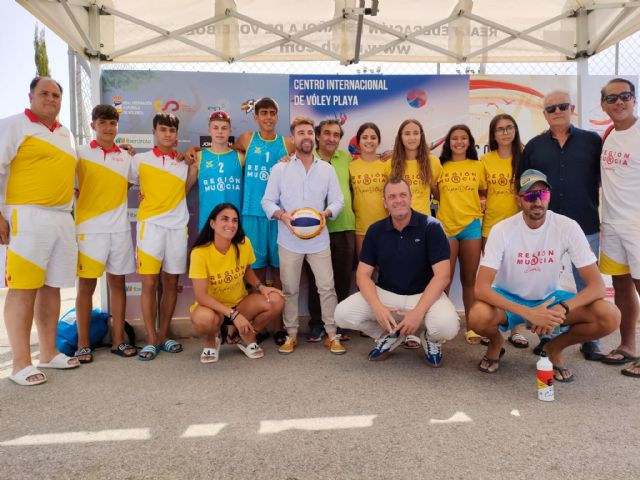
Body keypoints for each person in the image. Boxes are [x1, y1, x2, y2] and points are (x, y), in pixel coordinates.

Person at [468, 169, 619, 381]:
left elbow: (597, 286)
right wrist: (528, 313)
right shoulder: (502, 229)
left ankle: (554, 348)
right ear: (519, 200)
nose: (537, 201)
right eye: (530, 196)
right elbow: (481, 287)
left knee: (610, 316)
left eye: (543, 195)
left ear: (549, 197)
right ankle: (496, 342)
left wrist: (561, 308)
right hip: (509, 301)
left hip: (549, 300)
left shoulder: (567, 226)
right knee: (478, 317)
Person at [0, 77, 80, 386]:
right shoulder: (14, 125)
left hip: (61, 218)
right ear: (30, 95)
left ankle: (49, 352)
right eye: (44, 93)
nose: (51, 98)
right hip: (26, 216)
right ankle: (21, 362)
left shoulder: (65, 134)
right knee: (23, 289)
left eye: (56, 94)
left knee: (52, 287)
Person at [334, 177, 459, 367]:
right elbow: (362, 275)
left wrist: (418, 312)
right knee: (342, 314)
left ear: (410, 198)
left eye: (402, 195)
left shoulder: (431, 226)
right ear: (385, 202)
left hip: (424, 295)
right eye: (392, 196)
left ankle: (430, 339)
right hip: (387, 295)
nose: (398, 200)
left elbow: (443, 276)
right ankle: (392, 334)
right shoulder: (375, 230)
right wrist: (377, 306)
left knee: (446, 327)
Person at [518, 90, 604, 361]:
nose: (557, 112)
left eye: (562, 106)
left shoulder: (592, 141)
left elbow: (603, 179)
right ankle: (548, 335)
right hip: (547, 227)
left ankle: (591, 340)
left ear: (572, 108)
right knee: (548, 283)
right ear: (544, 114)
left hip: (585, 223)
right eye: (551, 108)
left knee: (586, 284)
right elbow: (522, 185)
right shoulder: (533, 146)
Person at [261, 116, 345, 355]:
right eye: (301, 133)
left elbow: (338, 200)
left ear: (314, 137)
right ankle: (291, 334)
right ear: (293, 138)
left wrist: (326, 213)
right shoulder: (280, 168)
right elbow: (267, 201)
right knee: (290, 290)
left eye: (309, 132)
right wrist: (281, 215)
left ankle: (332, 334)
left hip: (319, 240)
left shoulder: (326, 170)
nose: (306, 136)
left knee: (327, 287)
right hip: (288, 241)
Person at [131, 112, 198, 361]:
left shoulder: (184, 161)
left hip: (178, 229)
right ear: (154, 132)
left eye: (172, 130)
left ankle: (163, 335)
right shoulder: (138, 160)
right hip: (150, 228)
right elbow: (122, 184)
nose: (168, 134)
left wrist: (191, 163)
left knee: (171, 283)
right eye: (163, 130)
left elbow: (185, 189)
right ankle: (150, 339)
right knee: (149, 283)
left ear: (176, 134)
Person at [74, 104, 137, 363]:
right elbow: (75, 190)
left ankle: (118, 340)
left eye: (113, 123)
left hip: (120, 229)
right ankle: (83, 344)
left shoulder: (126, 157)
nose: (108, 128)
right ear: (93, 126)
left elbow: (132, 182)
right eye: (103, 123)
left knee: (117, 284)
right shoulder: (79, 154)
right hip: (90, 231)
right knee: (86, 286)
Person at [189, 203, 284, 363]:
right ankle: (213, 339)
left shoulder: (243, 243)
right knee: (203, 319)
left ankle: (247, 336)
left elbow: (247, 271)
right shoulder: (199, 253)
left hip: (240, 304)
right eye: (224, 219)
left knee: (276, 300)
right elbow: (201, 296)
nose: (230, 224)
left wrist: (262, 287)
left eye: (235, 220)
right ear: (212, 224)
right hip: (213, 309)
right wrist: (233, 315)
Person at [598, 78, 640, 378]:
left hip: (637, 225)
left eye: (624, 96)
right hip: (611, 223)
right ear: (604, 105)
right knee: (622, 285)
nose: (618, 102)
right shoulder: (609, 133)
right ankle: (628, 346)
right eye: (612, 99)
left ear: (634, 98)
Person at [435, 124, 486, 345]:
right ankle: (440, 325)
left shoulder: (478, 166)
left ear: (469, 141)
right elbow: (435, 193)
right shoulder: (439, 166)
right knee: (444, 279)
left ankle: (472, 327)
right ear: (448, 143)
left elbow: (484, 191)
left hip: (471, 226)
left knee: (469, 279)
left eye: (463, 138)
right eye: (454, 138)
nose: (459, 142)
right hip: (446, 227)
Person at [480, 114, 528, 349]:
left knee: (517, 278)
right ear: (493, 134)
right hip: (491, 227)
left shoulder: (525, 157)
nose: (505, 132)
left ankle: (516, 330)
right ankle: (497, 325)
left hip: (520, 226)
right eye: (500, 129)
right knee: (495, 279)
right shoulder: (485, 160)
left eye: (510, 127)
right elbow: (480, 191)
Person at [306, 119, 355, 343]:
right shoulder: (306, 158)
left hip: (345, 226)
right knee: (318, 280)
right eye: (327, 133)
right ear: (317, 136)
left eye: (336, 135)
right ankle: (317, 324)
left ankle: (340, 323)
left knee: (343, 279)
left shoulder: (345, 158)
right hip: (316, 230)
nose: (331, 139)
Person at [196, 111, 244, 230]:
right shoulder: (198, 157)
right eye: (215, 127)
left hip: (233, 224)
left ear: (230, 131)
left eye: (224, 128)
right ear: (209, 130)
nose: (220, 132)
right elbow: (183, 189)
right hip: (207, 224)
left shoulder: (241, 157)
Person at [386, 119, 441, 216]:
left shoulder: (433, 162)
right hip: (398, 224)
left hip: (423, 224)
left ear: (421, 136)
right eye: (407, 134)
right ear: (400, 137)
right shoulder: (390, 164)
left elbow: (440, 195)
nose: (412, 137)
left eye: (415, 133)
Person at [349, 122, 389, 258]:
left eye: (373, 137)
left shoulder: (387, 164)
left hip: (386, 227)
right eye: (365, 137)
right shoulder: (351, 167)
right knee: (365, 269)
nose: (369, 141)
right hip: (361, 227)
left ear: (378, 141)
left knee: (387, 269)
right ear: (358, 141)